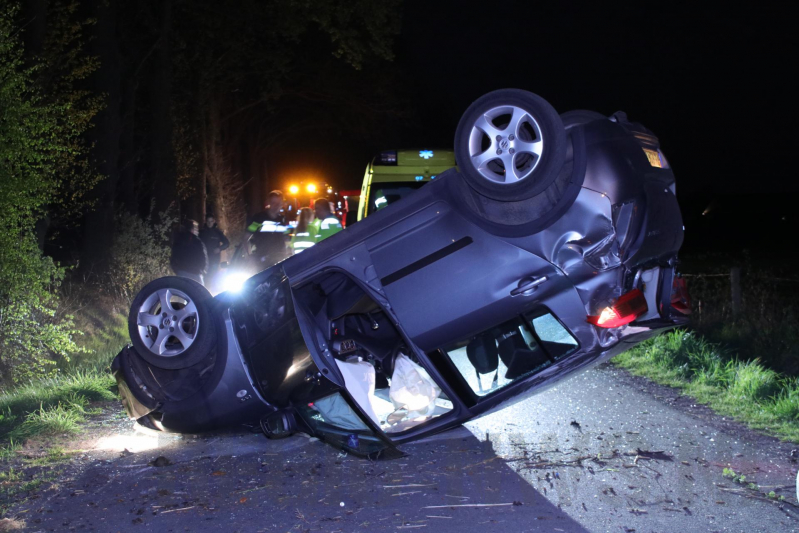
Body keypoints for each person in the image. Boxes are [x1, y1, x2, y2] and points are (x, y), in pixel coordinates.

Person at [246, 190, 290, 267]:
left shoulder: (282, 220)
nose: (276, 206)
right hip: (262, 262)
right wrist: (250, 256)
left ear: (282, 204)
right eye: (273, 203)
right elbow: (246, 238)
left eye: (279, 203)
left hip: (280, 262)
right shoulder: (258, 219)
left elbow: (287, 240)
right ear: (268, 203)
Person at [170, 219, 208, 285]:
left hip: (181, 273)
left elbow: (173, 256)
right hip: (195, 274)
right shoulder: (197, 241)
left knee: (182, 290)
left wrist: (177, 270)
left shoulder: (178, 240)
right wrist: (202, 271)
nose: (198, 232)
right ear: (193, 229)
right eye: (196, 229)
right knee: (199, 291)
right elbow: (203, 258)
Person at [199, 214, 229, 278]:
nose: (209, 223)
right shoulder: (201, 232)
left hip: (214, 259)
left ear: (214, 221)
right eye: (208, 221)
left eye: (211, 221)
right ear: (206, 221)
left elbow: (226, 243)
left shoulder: (218, 232)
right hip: (203, 259)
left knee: (213, 276)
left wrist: (219, 248)